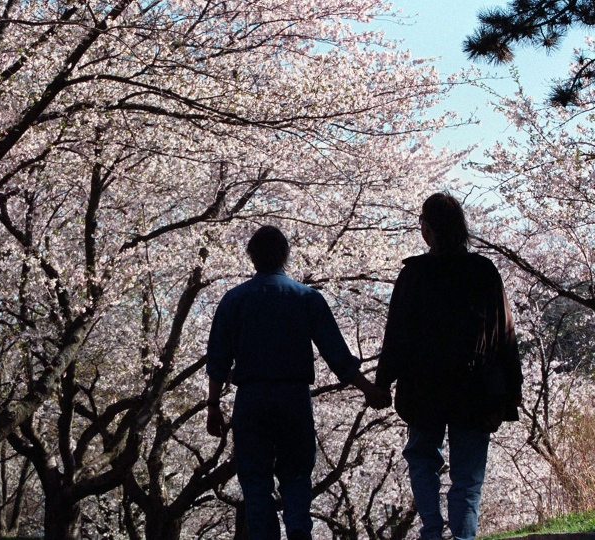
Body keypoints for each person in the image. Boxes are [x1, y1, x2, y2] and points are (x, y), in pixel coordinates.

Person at [205, 224, 390, 540]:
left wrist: (213, 405)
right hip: (293, 397)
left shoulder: (234, 300)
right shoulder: (306, 297)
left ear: (252, 258)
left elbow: (218, 359)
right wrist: (367, 388)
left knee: (255, 480)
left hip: (251, 398)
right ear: (285, 257)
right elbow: (335, 353)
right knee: (296, 476)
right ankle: (299, 533)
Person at [375, 192, 522, 540]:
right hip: (475, 386)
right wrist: (513, 385)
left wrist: (383, 381)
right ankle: (463, 537)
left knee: (423, 457)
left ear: (427, 229)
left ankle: (430, 529)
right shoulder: (483, 271)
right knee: (468, 474)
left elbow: (397, 333)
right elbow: (505, 333)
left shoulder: (415, 274)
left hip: (424, 386)